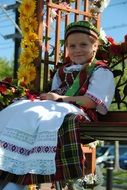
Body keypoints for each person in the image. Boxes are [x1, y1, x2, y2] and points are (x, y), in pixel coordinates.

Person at [0, 20, 115, 190]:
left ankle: (18, 181)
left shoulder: (100, 71)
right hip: (59, 106)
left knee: (38, 115)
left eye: (83, 44)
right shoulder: (63, 71)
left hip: (82, 110)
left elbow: (91, 101)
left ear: (95, 46)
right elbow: (55, 96)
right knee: (16, 109)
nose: (77, 50)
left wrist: (60, 99)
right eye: (72, 46)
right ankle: (10, 166)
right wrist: (51, 98)